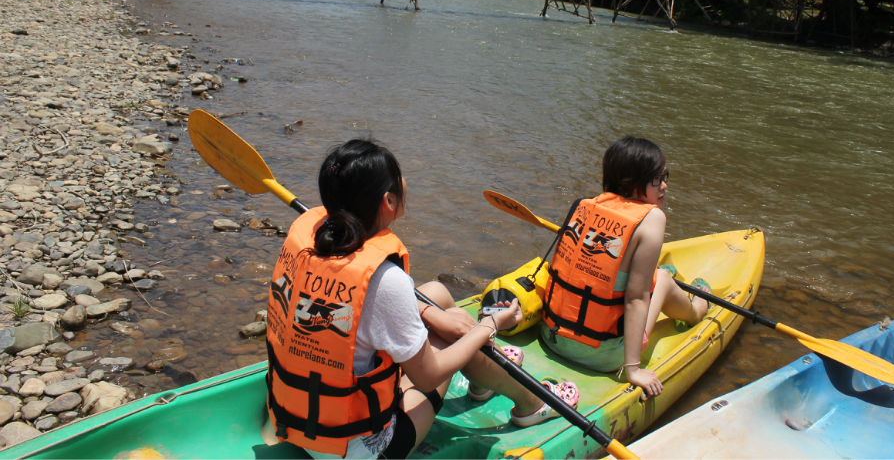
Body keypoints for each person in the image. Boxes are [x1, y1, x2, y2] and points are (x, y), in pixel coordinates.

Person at [265, 139, 575, 460]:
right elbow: (429, 374)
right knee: (456, 337)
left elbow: (366, 304)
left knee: (436, 295)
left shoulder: (312, 239)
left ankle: (483, 380)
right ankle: (531, 404)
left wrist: (434, 313)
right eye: (399, 177)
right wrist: (487, 327)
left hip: (300, 419)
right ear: (388, 200)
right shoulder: (386, 280)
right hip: (359, 450)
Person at [540, 136, 710, 400]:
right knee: (662, 279)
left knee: (641, 276)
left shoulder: (585, 205)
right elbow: (636, 298)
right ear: (632, 181)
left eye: (665, 176)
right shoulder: (652, 219)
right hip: (603, 355)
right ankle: (696, 310)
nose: (664, 185)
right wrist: (632, 370)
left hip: (552, 336)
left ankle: (657, 276)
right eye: (657, 178)